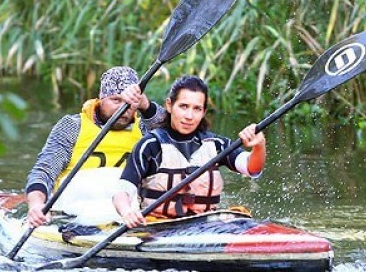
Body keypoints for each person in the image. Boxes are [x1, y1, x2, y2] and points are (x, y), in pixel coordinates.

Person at [113, 75, 266, 228]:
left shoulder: (216, 145)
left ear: (204, 111)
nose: (189, 116)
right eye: (183, 106)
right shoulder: (150, 145)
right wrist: (127, 212)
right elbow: (122, 191)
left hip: (207, 225)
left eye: (197, 109)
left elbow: (252, 168)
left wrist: (259, 145)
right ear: (169, 105)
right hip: (158, 228)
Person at [25, 66, 164, 227]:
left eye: (129, 103)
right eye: (116, 100)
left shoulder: (144, 130)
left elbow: (173, 133)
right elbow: (44, 171)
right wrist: (36, 205)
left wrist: (147, 107)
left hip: (127, 212)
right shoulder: (73, 126)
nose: (122, 109)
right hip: (73, 213)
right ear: (101, 99)